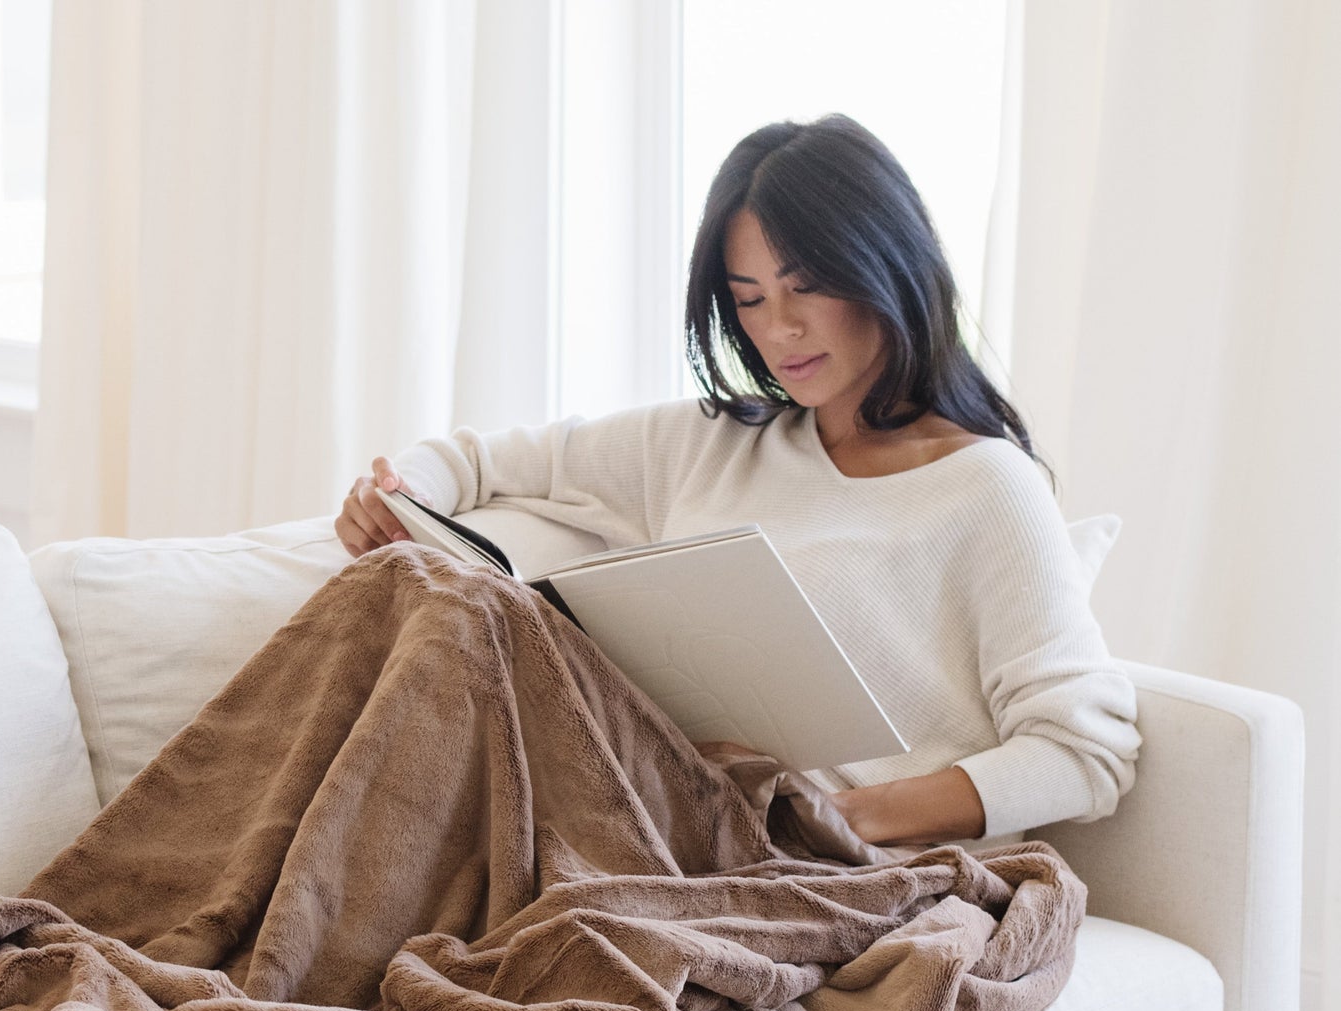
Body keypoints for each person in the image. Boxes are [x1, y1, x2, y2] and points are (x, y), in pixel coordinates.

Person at [335, 114, 1138, 847]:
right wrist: (396, 495)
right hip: (657, 825)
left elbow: (1083, 750)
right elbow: (478, 460)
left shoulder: (985, 487)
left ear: (887, 267)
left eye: (807, 287)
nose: (779, 329)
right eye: (748, 300)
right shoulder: (715, 439)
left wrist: (844, 819)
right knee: (437, 602)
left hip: (833, 862)